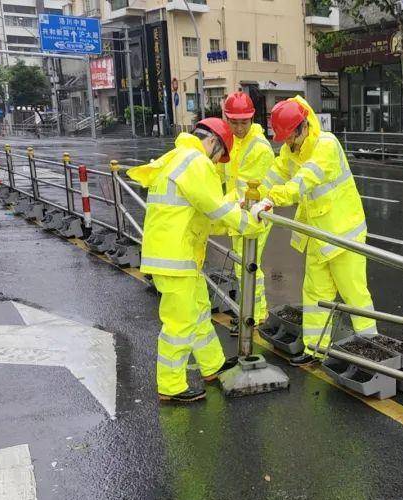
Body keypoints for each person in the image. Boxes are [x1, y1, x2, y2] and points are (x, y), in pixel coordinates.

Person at [128, 117, 265, 402]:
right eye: (219, 157)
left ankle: (212, 365)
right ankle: (171, 386)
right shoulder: (196, 161)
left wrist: (234, 210)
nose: (217, 164)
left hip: (175, 254)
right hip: (175, 257)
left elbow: (202, 214)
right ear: (213, 142)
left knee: (200, 311)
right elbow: (214, 209)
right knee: (179, 324)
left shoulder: (178, 157)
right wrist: (249, 223)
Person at [249, 96, 377, 366]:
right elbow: (273, 175)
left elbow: (300, 184)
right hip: (319, 235)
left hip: (344, 235)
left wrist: (269, 198)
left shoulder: (325, 146)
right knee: (315, 295)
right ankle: (315, 350)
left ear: (302, 127)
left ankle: (373, 353)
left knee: (355, 296)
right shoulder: (291, 150)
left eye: (288, 137)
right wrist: (251, 196)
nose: (286, 144)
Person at [221, 91, 275, 336]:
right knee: (242, 264)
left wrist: (216, 206)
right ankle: (251, 310)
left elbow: (245, 187)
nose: (239, 127)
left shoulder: (259, 147)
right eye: (234, 122)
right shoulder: (230, 140)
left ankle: (255, 313)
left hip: (255, 212)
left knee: (248, 263)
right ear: (227, 118)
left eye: (244, 122)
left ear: (252, 118)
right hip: (238, 211)